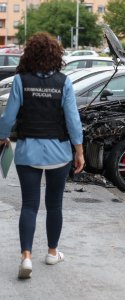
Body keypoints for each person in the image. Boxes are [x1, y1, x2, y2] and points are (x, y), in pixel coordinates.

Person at [0, 32, 85, 279]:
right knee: (54, 204)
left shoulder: (20, 81)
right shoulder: (64, 82)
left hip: (27, 151)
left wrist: (3, 137)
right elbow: (73, 120)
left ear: (30, 55)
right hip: (59, 152)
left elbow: (8, 117)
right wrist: (78, 150)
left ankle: (26, 256)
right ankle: (51, 252)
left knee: (29, 205)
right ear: (55, 56)